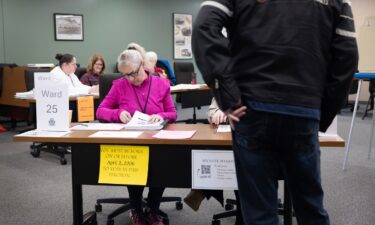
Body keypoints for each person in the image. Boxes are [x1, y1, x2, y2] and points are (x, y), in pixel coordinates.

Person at [192, 1, 358, 225]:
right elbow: (347, 57)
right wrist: (323, 111)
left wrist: (228, 96)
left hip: (251, 108)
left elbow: (203, 26)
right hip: (303, 108)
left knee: (260, 213)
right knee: (310, 207)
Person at [96, 49, 177, 225]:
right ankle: (136, 210)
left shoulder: (161, 84)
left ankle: (153, 209)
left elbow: (172, 113)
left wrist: (162, 116)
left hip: (156, 139)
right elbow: (100, 111)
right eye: (125, 75)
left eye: (132, 74)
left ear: (141, 65)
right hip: (132, 142)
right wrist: (118, 114)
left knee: (161, 166)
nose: (130, 79)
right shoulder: (119, 84)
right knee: (135, 166)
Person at [184, 98, 244, 225]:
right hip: (230, 139)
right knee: (214, 155)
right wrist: (216, 112)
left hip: (258, 141)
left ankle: (203, 189)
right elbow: (211, 111)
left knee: (237, 165)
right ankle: (204, 186)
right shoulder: (225, 86)